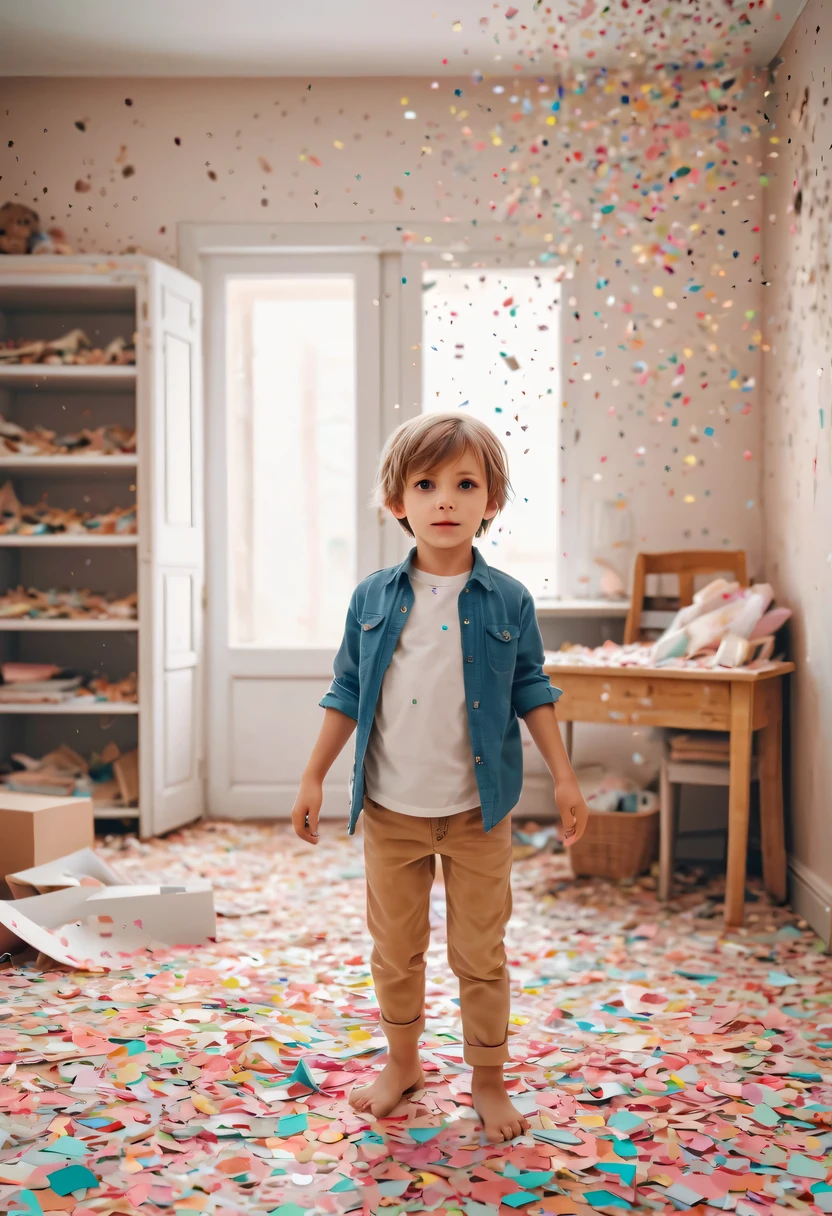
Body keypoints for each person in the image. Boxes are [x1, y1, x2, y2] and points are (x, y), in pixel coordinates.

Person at [291, 412, 589, 1143]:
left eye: (465, 484)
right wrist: (312, 778)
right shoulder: (371, 598)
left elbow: (532, 688)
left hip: (477, 813)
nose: (445, 500)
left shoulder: (509, 600)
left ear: (491, 501)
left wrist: (567, 777)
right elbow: (344, 691)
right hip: (391, 811)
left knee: (480, 952)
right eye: (426, 484)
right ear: (398, 501)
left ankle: (487, 1076)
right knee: (395, 949)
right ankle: (403, 1063)